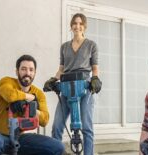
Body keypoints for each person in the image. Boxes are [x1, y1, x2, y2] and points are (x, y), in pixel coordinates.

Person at [43, 13, 102, 155]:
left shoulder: (91, 45)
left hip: (84, 89)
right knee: (57, 126)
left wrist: (95, 79)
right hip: (66, 88)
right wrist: (53, 80)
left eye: (81, 23)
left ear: (84, 27)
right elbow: (61, 69)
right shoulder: (64, 47)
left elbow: (94, 68)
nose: (77, 26)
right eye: (75, 23)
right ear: (71, 26)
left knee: (87, 127)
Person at [0, 55, 64, 155]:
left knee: (57, 147)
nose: (27, 73)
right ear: (17, 71)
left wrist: (31, 108)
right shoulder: (6, 81)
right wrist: (30, 97)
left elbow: (45, 120)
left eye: (31, 70)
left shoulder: (39, 93)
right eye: (23, 69)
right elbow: (10, 95)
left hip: (19, 138)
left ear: (35, 73)